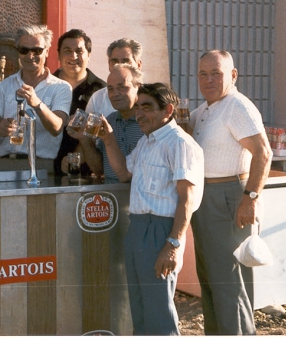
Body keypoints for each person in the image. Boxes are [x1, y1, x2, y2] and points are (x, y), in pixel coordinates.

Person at [99, 83, 204, 335]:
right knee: (140, 306)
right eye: (138, 108)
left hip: (161, 231)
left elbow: (187, 199)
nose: (140, 114)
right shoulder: (147, 142)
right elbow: (124, 172)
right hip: (138, 228)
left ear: (168, 110)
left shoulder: (179, 143)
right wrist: (108, 138)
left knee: (159, 311)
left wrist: (173, 245)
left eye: (147, 108)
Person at [189, 50, 273, 335]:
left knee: (229, 281)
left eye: (217, 73)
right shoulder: (203, 111)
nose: (209, 79)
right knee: (210, 279)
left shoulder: (237, 106)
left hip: (228, 196)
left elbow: (263, 153)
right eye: (203, 73)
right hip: (204, 198)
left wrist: (250, 198)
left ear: (233, 75)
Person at [0, 25, 72, 173]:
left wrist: (37, 104)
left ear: (46, 52)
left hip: (40, 165)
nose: (30, 55)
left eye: (37, 50)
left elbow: (57, 128)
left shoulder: (61, 87)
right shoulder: (5, 86)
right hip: (2, 164)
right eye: (24, 50)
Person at [63, 63, 143, 181]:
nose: (115, 93)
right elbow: (99, 170)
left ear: (138, 87)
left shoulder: (148, 123)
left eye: (122, 87)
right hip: (111, 195)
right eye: (110, 89)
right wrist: (84, 139)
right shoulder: (110, 121)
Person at [52, 29, 106, 175]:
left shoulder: (101, 91)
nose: (73, 56)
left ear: (89, 55)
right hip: (47, 168)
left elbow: (104, 132)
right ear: (58, 55)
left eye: (79, 51)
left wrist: (78, 155)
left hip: (88, 172)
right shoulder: (45, 86)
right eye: (67, 51)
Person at [86, 38, 143, 117]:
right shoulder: (98, 98)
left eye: (126, 61)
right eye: (115, 62)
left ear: (138, 65)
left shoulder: (152, 99)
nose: (119, 66)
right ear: (109, 65)